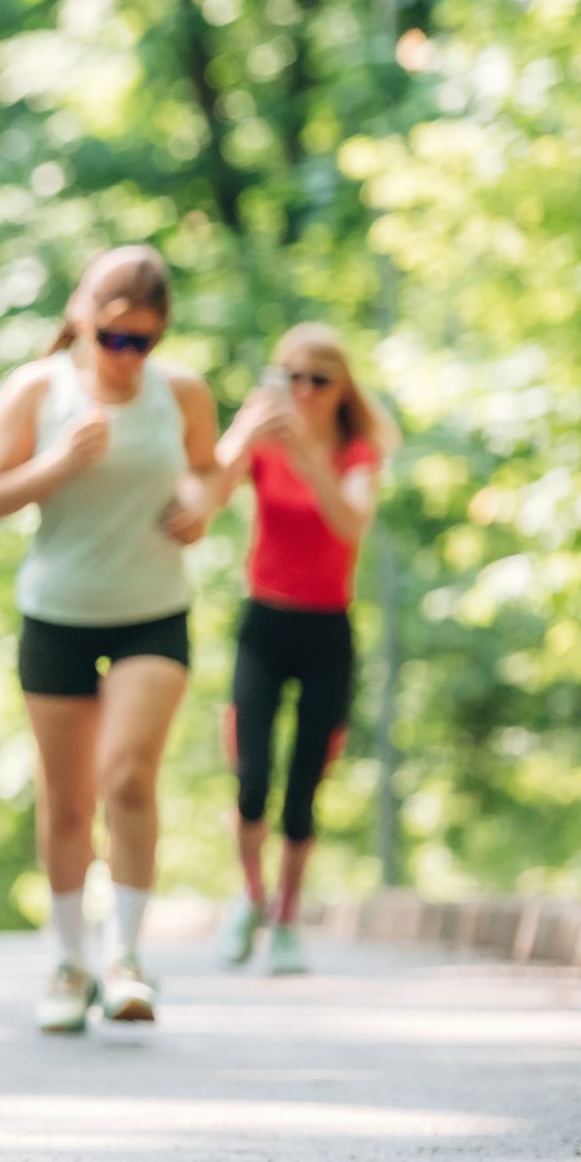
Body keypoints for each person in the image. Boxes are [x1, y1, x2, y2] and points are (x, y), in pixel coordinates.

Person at [0, 246, 220, 1036]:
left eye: (142, 342)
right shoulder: (37, 389)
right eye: (113, 336)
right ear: (82, 317)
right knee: (69, 797)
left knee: (127, 777)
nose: (125, 355)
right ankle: (70, 960)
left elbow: (208, 472)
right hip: (59, 612)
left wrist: (199, 507)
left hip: (152, 607)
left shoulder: (180, 392)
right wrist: (57, 462)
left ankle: (127, 959)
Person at [208, 326, 396, 975]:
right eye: (291, 376)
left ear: (341, 388)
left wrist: (313, 459)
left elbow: (351, 525)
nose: (304, 391)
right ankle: (250, 898)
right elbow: (204, 494)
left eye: (319, 379)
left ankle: (287, 916)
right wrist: (243, 433)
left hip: (327, 632)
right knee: (251, 774)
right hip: (263, 623)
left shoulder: (358, 453)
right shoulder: (261, 441)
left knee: (302, 788)